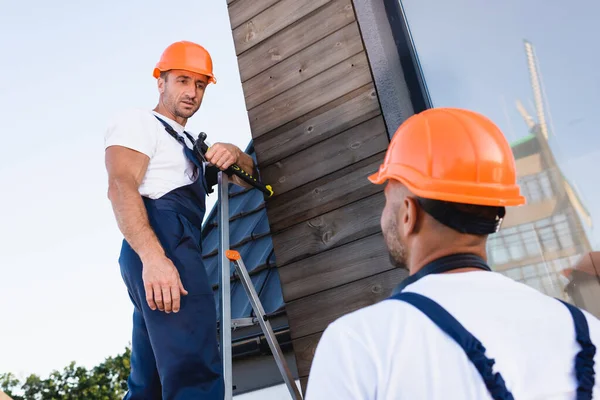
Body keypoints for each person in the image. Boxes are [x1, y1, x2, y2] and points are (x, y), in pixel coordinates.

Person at [305, 107, 600, 399]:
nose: (383, 217)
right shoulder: (587, 331)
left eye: (387, 201)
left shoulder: (359, 344)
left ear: (408, 213)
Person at [104, 40, 255, 399]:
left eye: (200, 85)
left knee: (149, 382)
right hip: (162, 244)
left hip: (177, 245)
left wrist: (234, 153)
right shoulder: (140, 122)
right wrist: (154, 259)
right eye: (183, 80)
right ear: (161, 82)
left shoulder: (189, 144)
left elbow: (250, 175)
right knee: (193, 370)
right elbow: (120, 186)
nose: (192, 92)